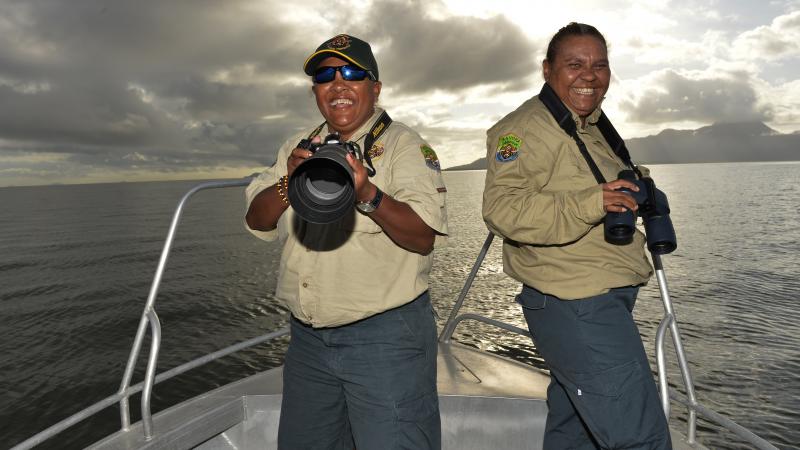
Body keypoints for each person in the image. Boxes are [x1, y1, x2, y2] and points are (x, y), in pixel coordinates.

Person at [245, 34, 447, 449]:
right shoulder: (296, 148)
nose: (338, 84)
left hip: (385, 338)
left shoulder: (405, 148)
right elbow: (256, 218)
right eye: (324, 75)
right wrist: (289, 182)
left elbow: (423, 237)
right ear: (315, 91)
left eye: (352, 73)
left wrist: (367, 194)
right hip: (308, 342)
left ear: (374, 87)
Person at [482, 23, 672, 449]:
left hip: (600, 296)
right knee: (640, 436)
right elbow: (502, 210)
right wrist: (593, 202)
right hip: (576, 304)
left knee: (575, 431)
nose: (589, 75)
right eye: (575, 64)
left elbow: (590, 181)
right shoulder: (524, 129)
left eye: (600, 65)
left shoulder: (592, 124)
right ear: (547, 70)